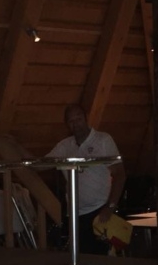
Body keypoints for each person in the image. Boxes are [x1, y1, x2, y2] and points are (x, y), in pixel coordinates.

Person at [47, 103, 126, 255]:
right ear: (67, 124)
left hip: (99, 211)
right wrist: (16, 148)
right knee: (81, 258)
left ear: (86, 118)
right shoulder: (65, 146)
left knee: (101, 259)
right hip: (75, 214)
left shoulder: (102, 140)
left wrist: (110, 207)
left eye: (79, 119)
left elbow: (120, 174)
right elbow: (42, 164)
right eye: (71, 121)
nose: (76, 124)